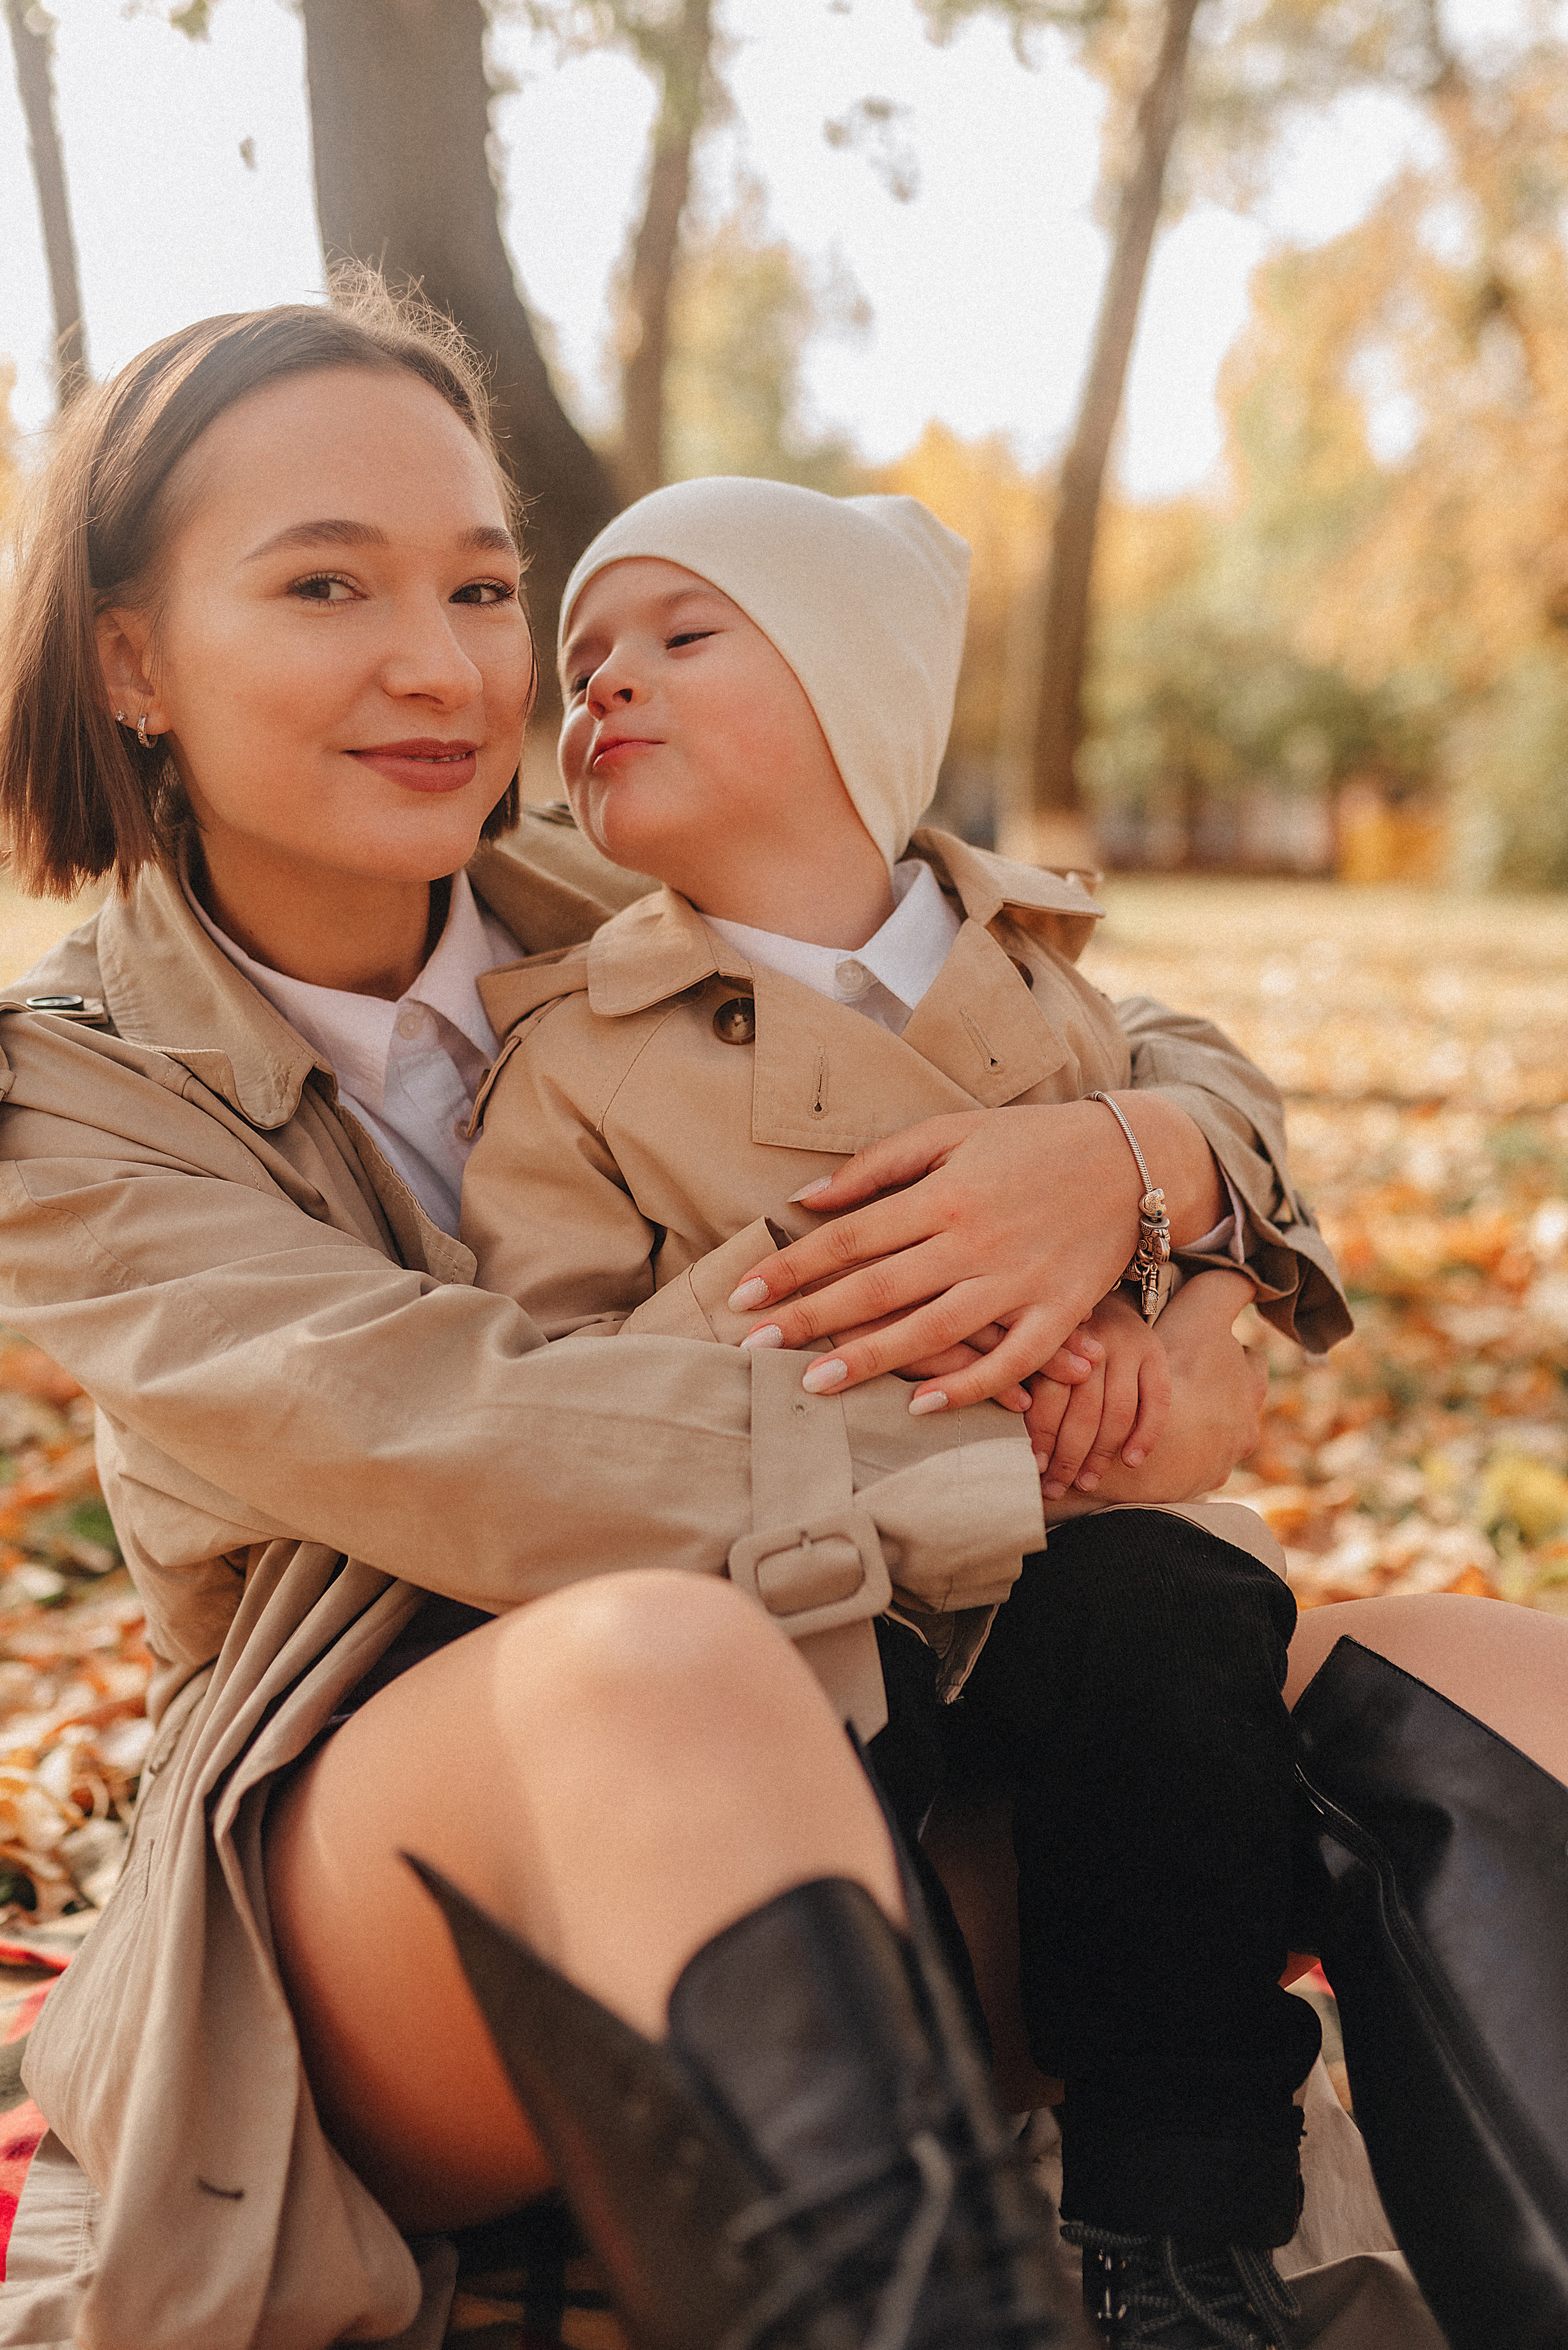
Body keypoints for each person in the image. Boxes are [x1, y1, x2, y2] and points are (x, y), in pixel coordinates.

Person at [0, 284, 1558, 2350]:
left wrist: (1130, 1161)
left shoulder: (621, 883)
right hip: (406, 1906)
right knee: (664, 1657)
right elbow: (471, 1434)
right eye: (322, 584)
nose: (441, 664)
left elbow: (1107, 1013)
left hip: (924, 1755)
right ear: (130, 658)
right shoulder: (61, 1094)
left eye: (482, 587)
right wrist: (1045, 1424)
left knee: (1469, 1679)